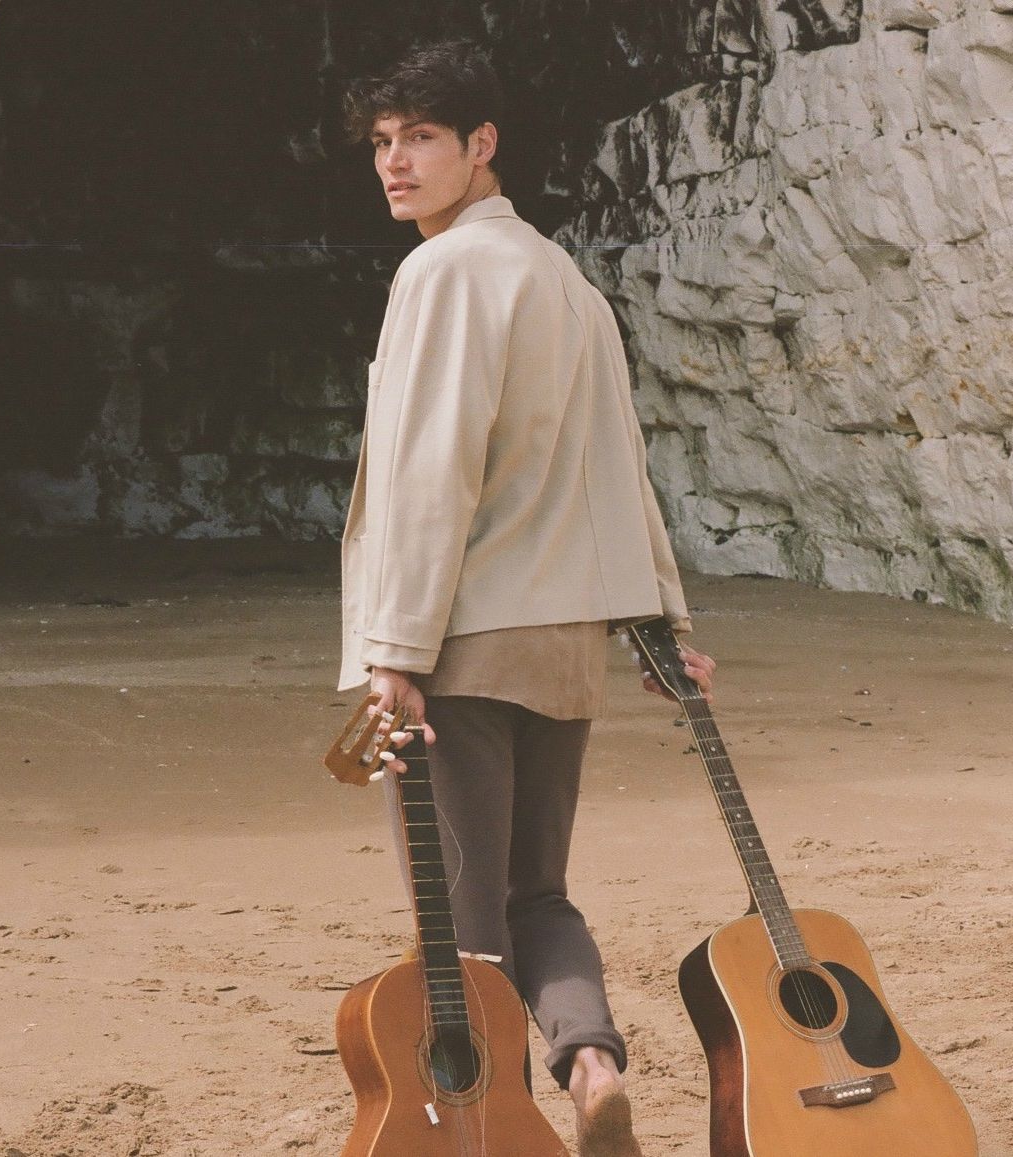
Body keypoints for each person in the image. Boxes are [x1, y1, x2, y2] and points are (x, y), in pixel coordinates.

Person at [337, 39, 716, 1157]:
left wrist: (392, 648)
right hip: (562, 647)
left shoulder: (444, 271)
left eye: (420, 138)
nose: (395, 165)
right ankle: (591, 1063)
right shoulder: (566, 282)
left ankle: (491, 1130)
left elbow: (428, 468)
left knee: (459, 922)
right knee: (535, 892)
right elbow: (619, 470)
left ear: (481, 145)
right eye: (381, 143)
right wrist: (661, 625)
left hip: (462, 642)